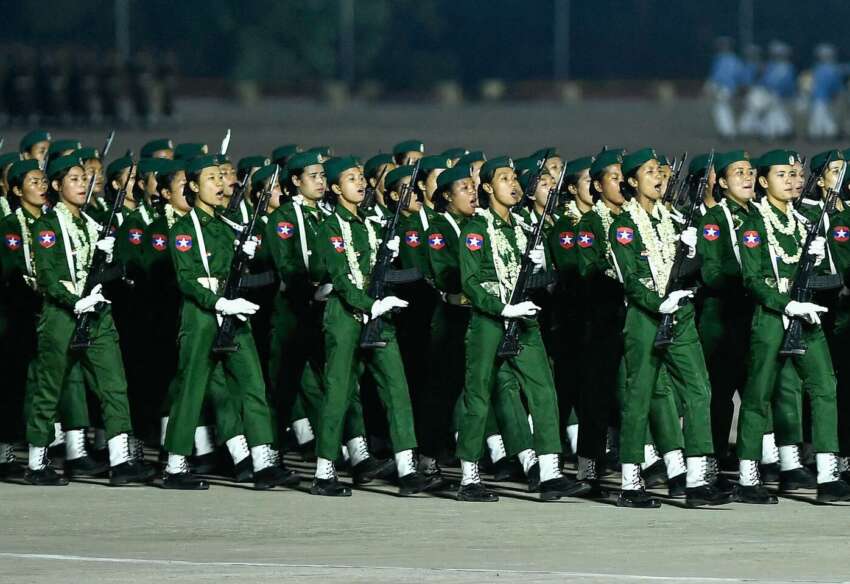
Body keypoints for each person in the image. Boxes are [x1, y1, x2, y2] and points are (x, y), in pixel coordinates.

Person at [455, 156, 590, 502]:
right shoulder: (475, 229)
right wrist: (503, 308)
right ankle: (469, 477)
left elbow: (539, 280)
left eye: (515, 178)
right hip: (489, 322)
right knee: (478, 396)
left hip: (524, 321)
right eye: (504, 179)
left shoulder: (524, 229)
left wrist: (542, 268)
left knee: (544, 391)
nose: (513, 184)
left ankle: (549, 472)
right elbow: (470, 282)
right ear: (487, 187)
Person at [162, 154, 297, 491]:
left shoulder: (228, 224)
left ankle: (263, 461)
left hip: (234, 312)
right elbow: (187, 279)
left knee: (253, 385)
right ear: (194, 187)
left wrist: (249, 253)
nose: (220, 184)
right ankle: (175, 465)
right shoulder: (184, 229)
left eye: (221, 178)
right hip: (201, 316)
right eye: (211, 178)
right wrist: (218, 302)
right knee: (192, 389)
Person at [609, 148, 729, 508]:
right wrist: (656, 302)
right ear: (632, 181)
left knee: (699, 389)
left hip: (680, 314)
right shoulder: (624, 226)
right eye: (649, 172)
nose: (659, 177)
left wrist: (691, 253)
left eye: (661, 171)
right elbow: (631, 278)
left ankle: (696, 479)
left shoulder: (674, 221)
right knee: (639, 395)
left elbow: (695, 270)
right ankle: (631, 482)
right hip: (646, 317)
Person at [27, 154, 154, 486]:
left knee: (114, 385)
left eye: (84, 178)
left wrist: (110, 256)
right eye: (74, 179)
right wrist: (75, 301)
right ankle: (37, 463)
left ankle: (121, 461)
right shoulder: (47, 225)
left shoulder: (91, 223)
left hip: (97, 314)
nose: (83, 184)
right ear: (57, 185)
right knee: (50, 389)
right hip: (62, 316)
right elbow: (49, 277)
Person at [312, 156, 436, 497]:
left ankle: (407, 468)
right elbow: (341, 278)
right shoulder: (330, 228)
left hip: (380, 318)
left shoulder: (370, 224)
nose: (361, 183)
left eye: (361, 177)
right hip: (345, 317)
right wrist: (371, 305)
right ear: (336, 188)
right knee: (338, 393)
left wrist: (390, 253)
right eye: (351, 179)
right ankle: (324, 471)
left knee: (397, 389)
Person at [735, 149, 850, 503]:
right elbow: (753, 279)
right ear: (763, 181)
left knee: (825, 387)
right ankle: (748, 478)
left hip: (806, 314)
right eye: (782, 175)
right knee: (758, 395)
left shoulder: (802, 222)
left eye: (795, 174)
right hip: (772, 316)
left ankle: (828, 476)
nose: (791, 181)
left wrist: (816, 262)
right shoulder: (754, 223)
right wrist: (787, 304)